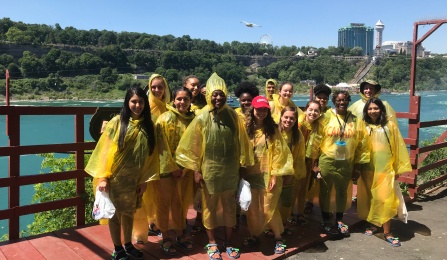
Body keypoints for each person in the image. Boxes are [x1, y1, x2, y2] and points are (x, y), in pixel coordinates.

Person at [175, 73, 254, 260]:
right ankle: (212, 242)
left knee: (229, 206)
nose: (218, 98)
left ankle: (229, 241)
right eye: (214, 94)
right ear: (208, 94)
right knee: (209, 207)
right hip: (208, 171)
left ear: (226, 94)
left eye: (221, 94)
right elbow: (192, 146)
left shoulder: (233, 116)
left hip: (230, 171)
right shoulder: (202, 117)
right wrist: (196, 170)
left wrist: (242, 168)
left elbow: (242, 143)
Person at [85, 86, 158, 260]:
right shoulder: (117, 122)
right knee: (115, 215)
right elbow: (103, 150)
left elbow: (151, 157)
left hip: (135, 179)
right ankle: (117, 248)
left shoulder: (149, 125)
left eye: (141, 102)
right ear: (127, 103)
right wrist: (103, 176)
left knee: (129, 213)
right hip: (114, 177)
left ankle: (128, 245)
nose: (137, 105)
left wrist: (144, 180)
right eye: (133, 101)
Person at [240, 96, 294, 254]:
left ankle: (278, 237)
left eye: (265, 109)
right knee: (252, 209)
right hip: (249, 175)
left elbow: (279, 153)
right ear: (253, 109)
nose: (262, 112)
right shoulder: (245, 128)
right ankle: (255, 234)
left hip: (267, 175)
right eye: (259, 109)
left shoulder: (272, 130)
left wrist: (275, 175)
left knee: (268, 208)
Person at [357, 98, 411, 247]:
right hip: (368, 169)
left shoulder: (390, 126)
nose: (373, 111)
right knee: (371, 198)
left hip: (385, 170)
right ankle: (374, 225)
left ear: (381, 109)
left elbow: (398, 147)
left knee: (385, 200)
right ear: (366, 111)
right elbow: (358, 146)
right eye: (370, 108)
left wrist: (398, 168)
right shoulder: (364, 126)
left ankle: (387, 232)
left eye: (376, 108)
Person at [318, 90, 370, 235]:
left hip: (346, 161)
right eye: (339, 100)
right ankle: (326, 219)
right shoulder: (325, 117)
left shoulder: (355, 120)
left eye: (345, 100)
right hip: (327, 159)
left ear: (349, 101)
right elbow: (315, 139)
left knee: (342, 190)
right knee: (326, 190)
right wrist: (314, 163)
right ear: (334, 101)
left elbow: (362, 144)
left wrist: (358, 165)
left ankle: (339, 219)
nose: (342, 102)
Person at [153, 87, 196, 255]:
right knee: (164, 203)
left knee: (179, 203)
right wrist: (172, 168)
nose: (182, 102)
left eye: (185, 99)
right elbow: (161, 147)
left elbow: (196, 145)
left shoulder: (193, 119)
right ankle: (165, 236)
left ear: (190, 101)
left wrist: (184, 168)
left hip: (185, 170)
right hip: (165, 171)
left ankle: (179, 233)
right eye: (179, 99)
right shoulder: (165, 118)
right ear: (173, 100)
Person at [134, 73, 171, 241]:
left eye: (160, 87)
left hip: (162, 157)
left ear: (165, 88)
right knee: (144, 194)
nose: (157, 90)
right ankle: (141, 230)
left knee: (159, 193)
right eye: (153, 87)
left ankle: (155, 223)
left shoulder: (168, 107)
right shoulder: (145, 107)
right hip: (147, 157)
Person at [289, 101, 322, 224]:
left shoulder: (317, 126)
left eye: (316, 111)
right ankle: (290, 213)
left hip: (308, 161)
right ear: (306, 110)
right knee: (294, 188)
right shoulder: (298, 124)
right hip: (296, 160)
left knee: (303, 188)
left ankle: (300, 212)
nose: (313, 113)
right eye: (311, 110)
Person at [277, 106, 306, 234]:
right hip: (274, 172)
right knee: (273, 201)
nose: (288, 120)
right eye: (286, 117)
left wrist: (292, 172)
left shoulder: (297, 134)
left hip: (289, 173)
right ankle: (271, 227)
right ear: (281, 117)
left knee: (286, 201)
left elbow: (299, 156)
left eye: (292, 118)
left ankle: (283, 223)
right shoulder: (274, 132)